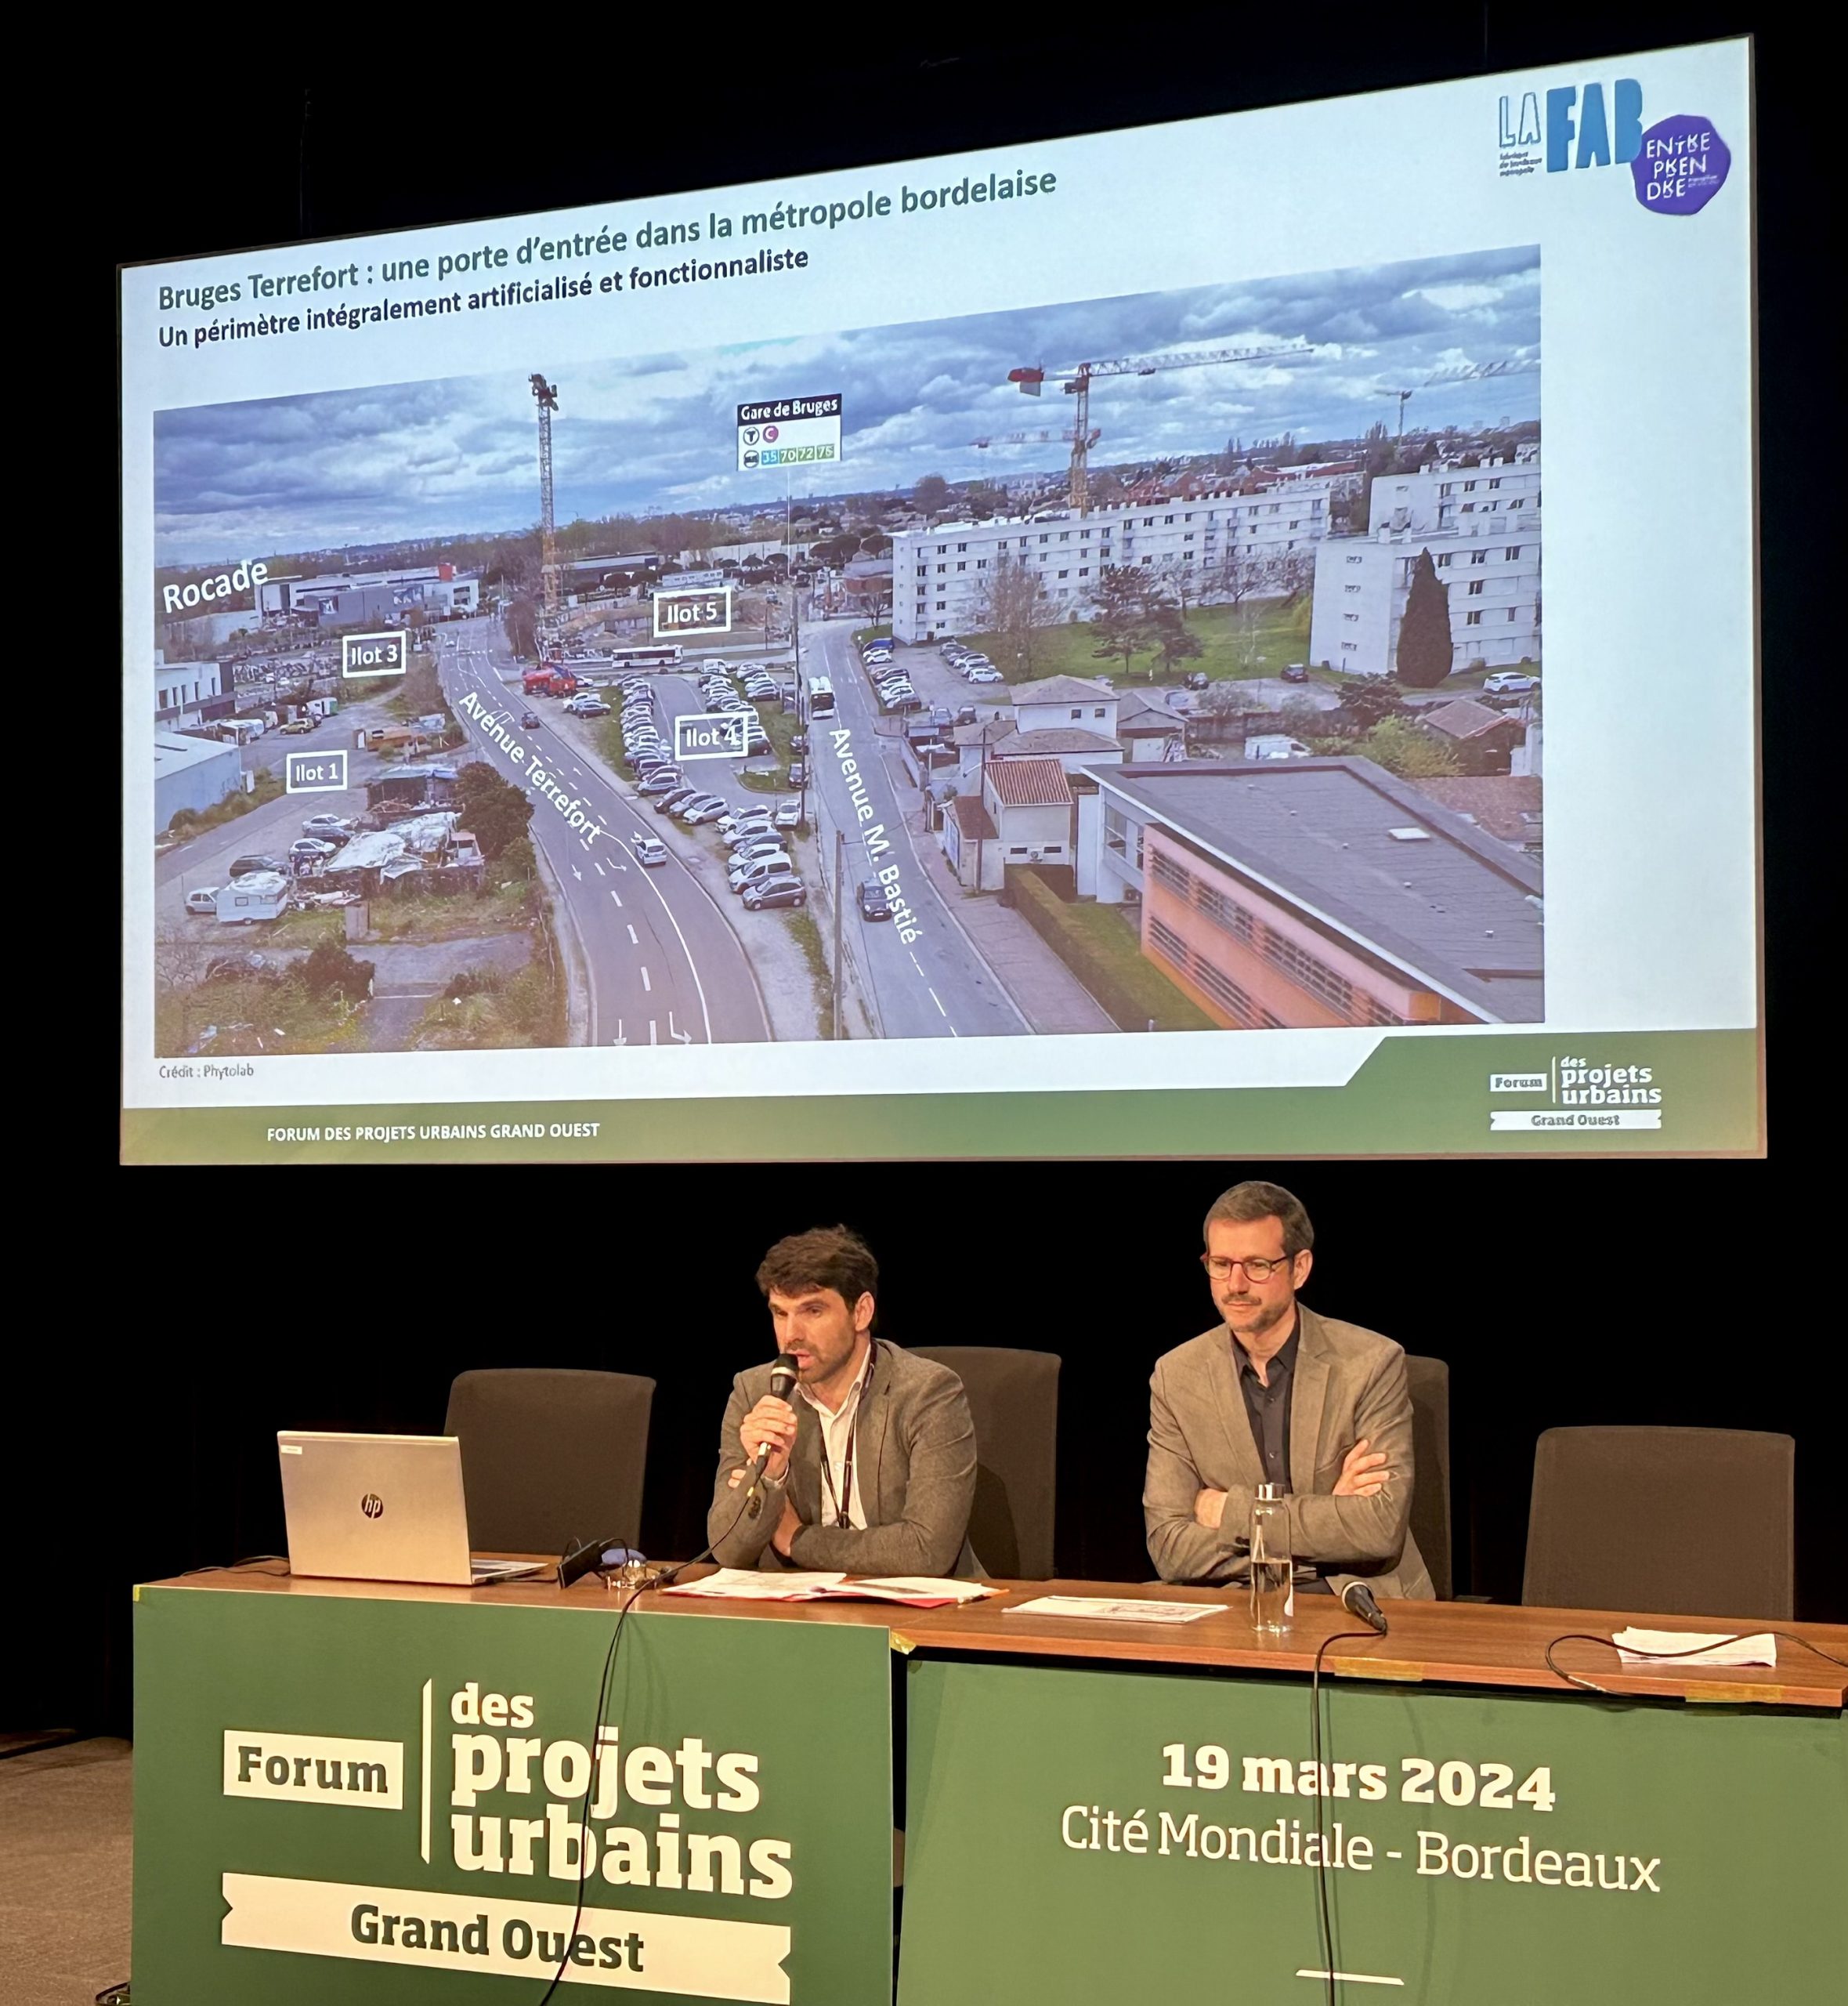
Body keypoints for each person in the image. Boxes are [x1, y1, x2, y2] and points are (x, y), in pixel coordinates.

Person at [1144, 1180, 1434, 1601]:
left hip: (1353, 1597)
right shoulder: (1177, 1376)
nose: (1235, 1284)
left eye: (1257, 1265)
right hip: (1234, 1603)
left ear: (1300, 1269)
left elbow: (1378, 1528)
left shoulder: (1371, 1363)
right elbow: (1170, 1547)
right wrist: (1323, 1529)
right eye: (1221, 1264)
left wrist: (1229, 1512)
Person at [707, 1226, 982, 1577]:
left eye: (813, 1311)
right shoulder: (756, 1392)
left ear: (861, 1312)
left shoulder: (927, 1393)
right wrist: (770, 1478)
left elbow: (927, 1551)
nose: (791, 1335)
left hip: (916, 1604)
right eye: (780, 1313)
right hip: (798, 1604)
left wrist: (796, 1539)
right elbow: (727, 1549)